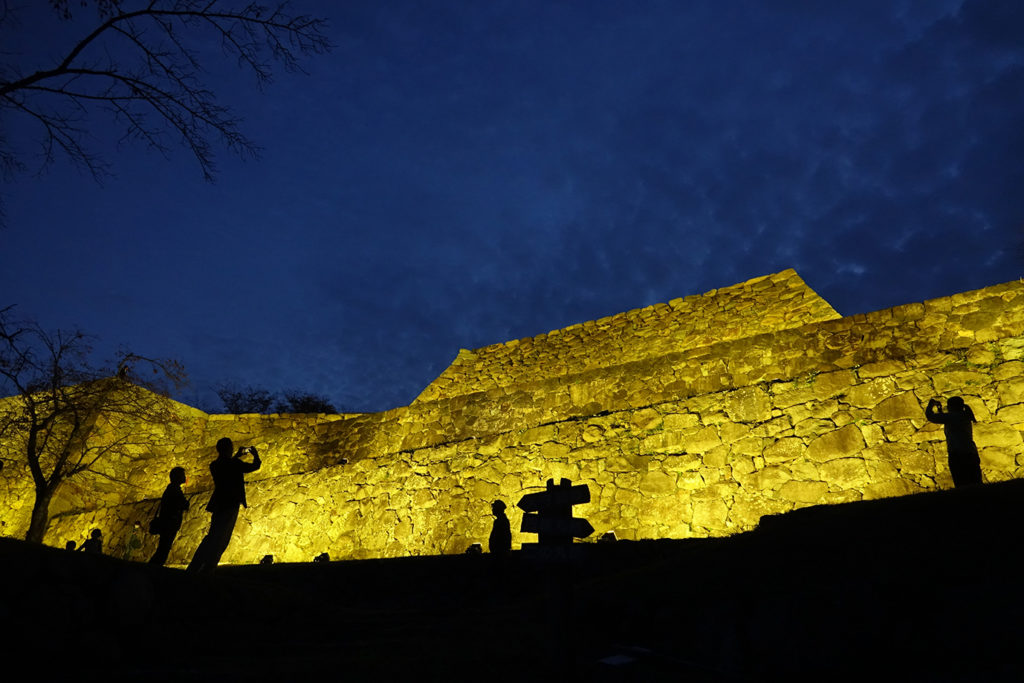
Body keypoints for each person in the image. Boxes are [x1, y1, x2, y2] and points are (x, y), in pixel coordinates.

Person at [187, 438, 261, 574]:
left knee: (213, 536)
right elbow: (254, 466)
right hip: (231, 504)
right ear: (229, 449)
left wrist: (237, 456)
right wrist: (255, 454)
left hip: (219, 504)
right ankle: (208, 567)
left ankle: (196, 566)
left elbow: (227, 465)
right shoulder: (234, 464)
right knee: (222, 538)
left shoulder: (214, 465)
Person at [925, 396, 982, 487]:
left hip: (958, 454)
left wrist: (930, 405)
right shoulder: (963, 415)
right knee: (975, 480)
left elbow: (930, 416)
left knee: (961, 482)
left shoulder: (954, 416)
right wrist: (940, 411)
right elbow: (947, 419)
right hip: (970, 452)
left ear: (950, 407)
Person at [149, 467, 190, 566]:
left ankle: (152, 568)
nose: (185, 477)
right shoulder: (174, 490)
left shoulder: (171, 489)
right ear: (177, 477)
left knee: (163, 548)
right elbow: (183, 504)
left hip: (168, 523)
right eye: (183, 475)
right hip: (169, 524)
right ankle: (152, 569)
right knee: (163, 549)